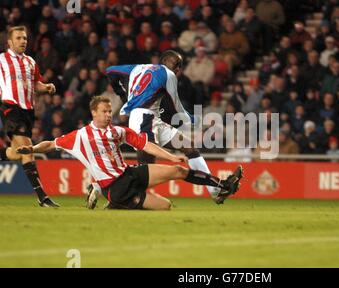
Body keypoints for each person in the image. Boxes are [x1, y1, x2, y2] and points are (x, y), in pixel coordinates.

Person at [15, 96, 243, 210]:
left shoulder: (118, 131)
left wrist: (171, 156)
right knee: (166, 206)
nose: (108, 115)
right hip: (116, 188)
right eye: (104, 111)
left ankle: (222, 184)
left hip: (128, 174)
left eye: (109, 111)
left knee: (178, 169)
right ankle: (112, 202)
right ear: (93, 113)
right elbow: (51, 144)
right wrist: (32, 148)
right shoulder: (80, 136)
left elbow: (145, 145)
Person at [104, 50, 224, 205]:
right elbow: (177, 107)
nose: (179, 69)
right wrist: (195, 120)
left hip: (152, 118)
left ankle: (215, 191)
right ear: (170, 63)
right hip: (143, 118)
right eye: (178, 65)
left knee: (187, 146)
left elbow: (110, 71)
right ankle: (114, 193)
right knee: (147, 166)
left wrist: (122, 94)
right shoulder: (169, 74)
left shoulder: (138, 68)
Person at [0, 26, 59, 207]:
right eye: (18, 38)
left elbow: (36, 85)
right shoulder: (1, 60)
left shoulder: (30, 62)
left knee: (18, 152)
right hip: (11, 108)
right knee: (28, 148)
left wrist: (46, 87)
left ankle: (4, 153)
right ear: (9, 42)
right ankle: (43, 197)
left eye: (24, 38)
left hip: (28, 111)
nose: (23, 41)